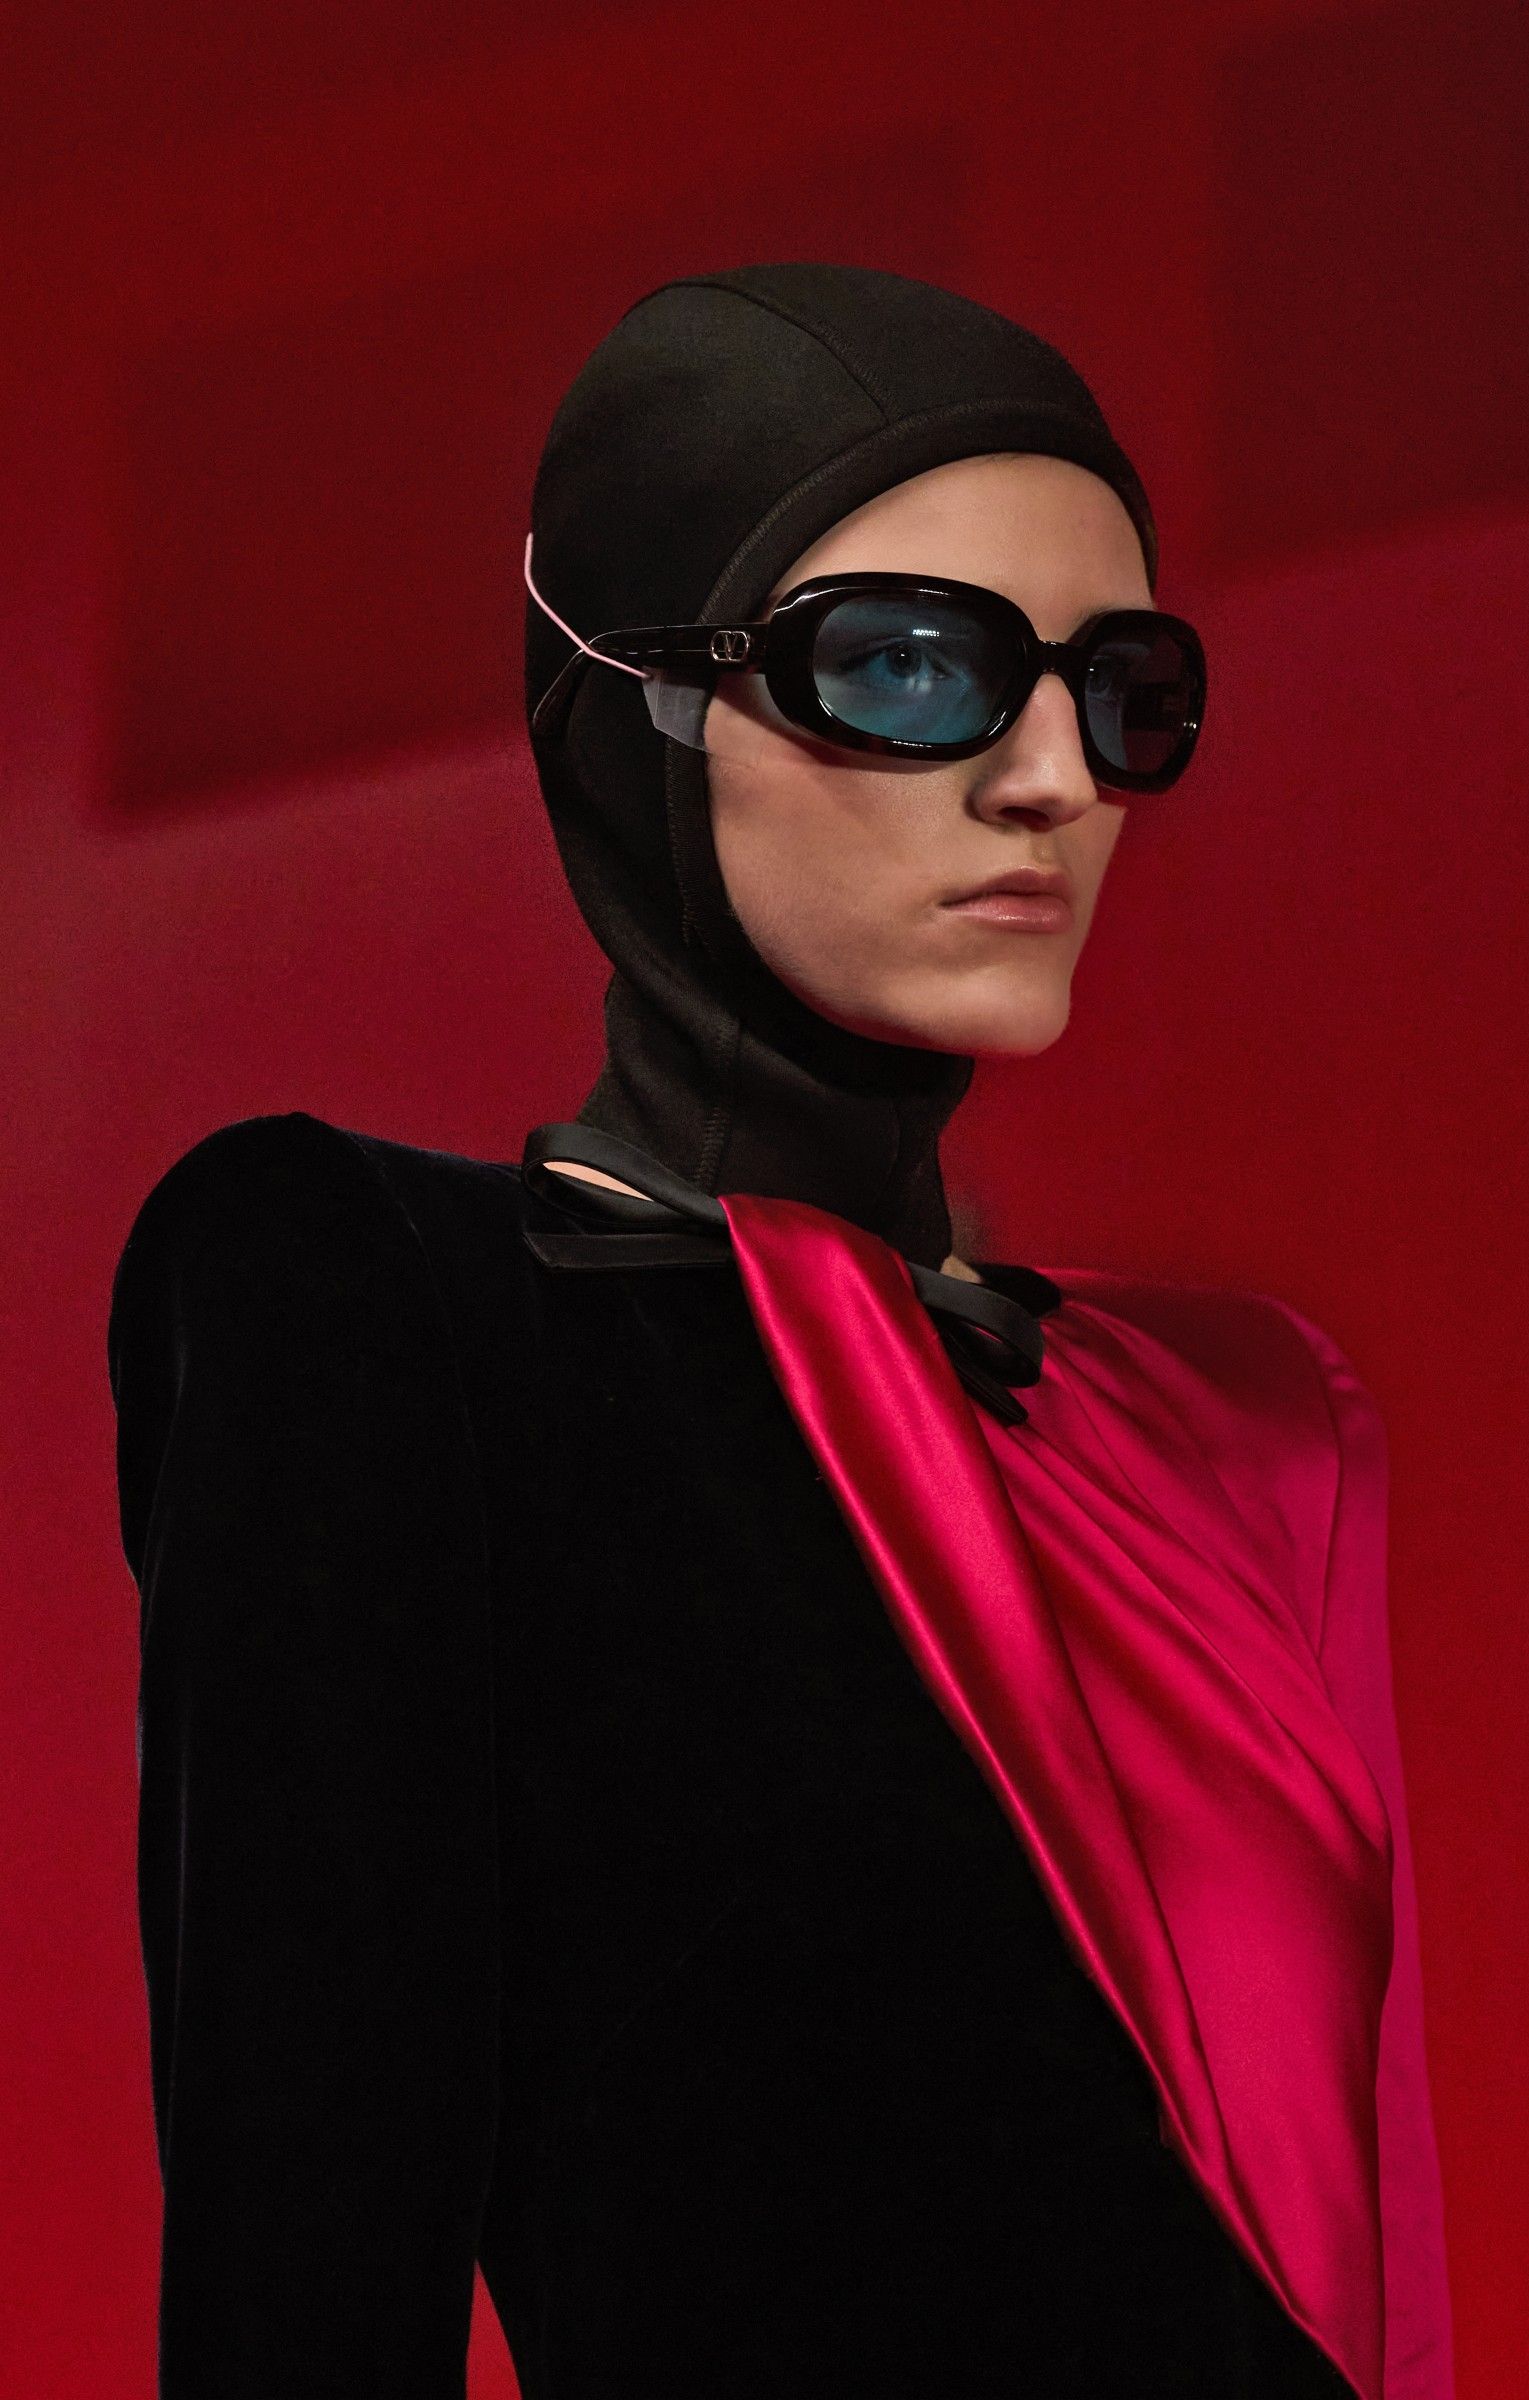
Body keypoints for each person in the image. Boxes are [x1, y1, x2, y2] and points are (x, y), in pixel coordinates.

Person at [107, 262, 1453, 2398]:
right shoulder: (391, 1313)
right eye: (908, 665)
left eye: (1121, 689)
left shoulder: (1225, 1419)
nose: (1053, 778)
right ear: (630, 705)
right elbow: (307, 2278)